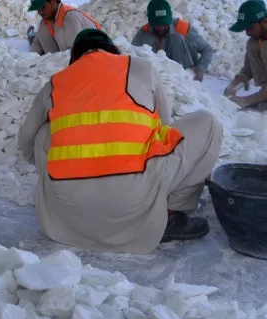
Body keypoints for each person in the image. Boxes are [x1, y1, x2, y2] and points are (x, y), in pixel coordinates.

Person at [17, 28, 225, 253]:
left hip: (68, 213)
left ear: (74, 58)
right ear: (113, 51)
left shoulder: (55, 83)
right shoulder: (141, 68)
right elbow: (165, 131)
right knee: (208, 123)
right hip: (133, 199)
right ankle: (172, 215)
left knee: (44, 133)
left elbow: (25, 143)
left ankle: (68, 196)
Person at [131, 0, 214, 80]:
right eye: (158, 25)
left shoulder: (182, 27)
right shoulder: (145, 32)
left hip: (186, 73)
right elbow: (131, 53)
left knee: (175, 38)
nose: (162, 28)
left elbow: (207, 49)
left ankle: (181, 78)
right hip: (160, 76)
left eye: (164, 23)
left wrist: (200, 69)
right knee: (148, 40)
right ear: (151, 22)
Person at [26, 0, 100, 54]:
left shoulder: (70, 18)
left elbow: (74, 54)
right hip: (65, 59)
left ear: (53, 1)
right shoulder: (47, 20)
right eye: (38, 9)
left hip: (97, 58)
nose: (40, 12)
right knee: (43, 29)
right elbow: (36, 43)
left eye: (42, 7)